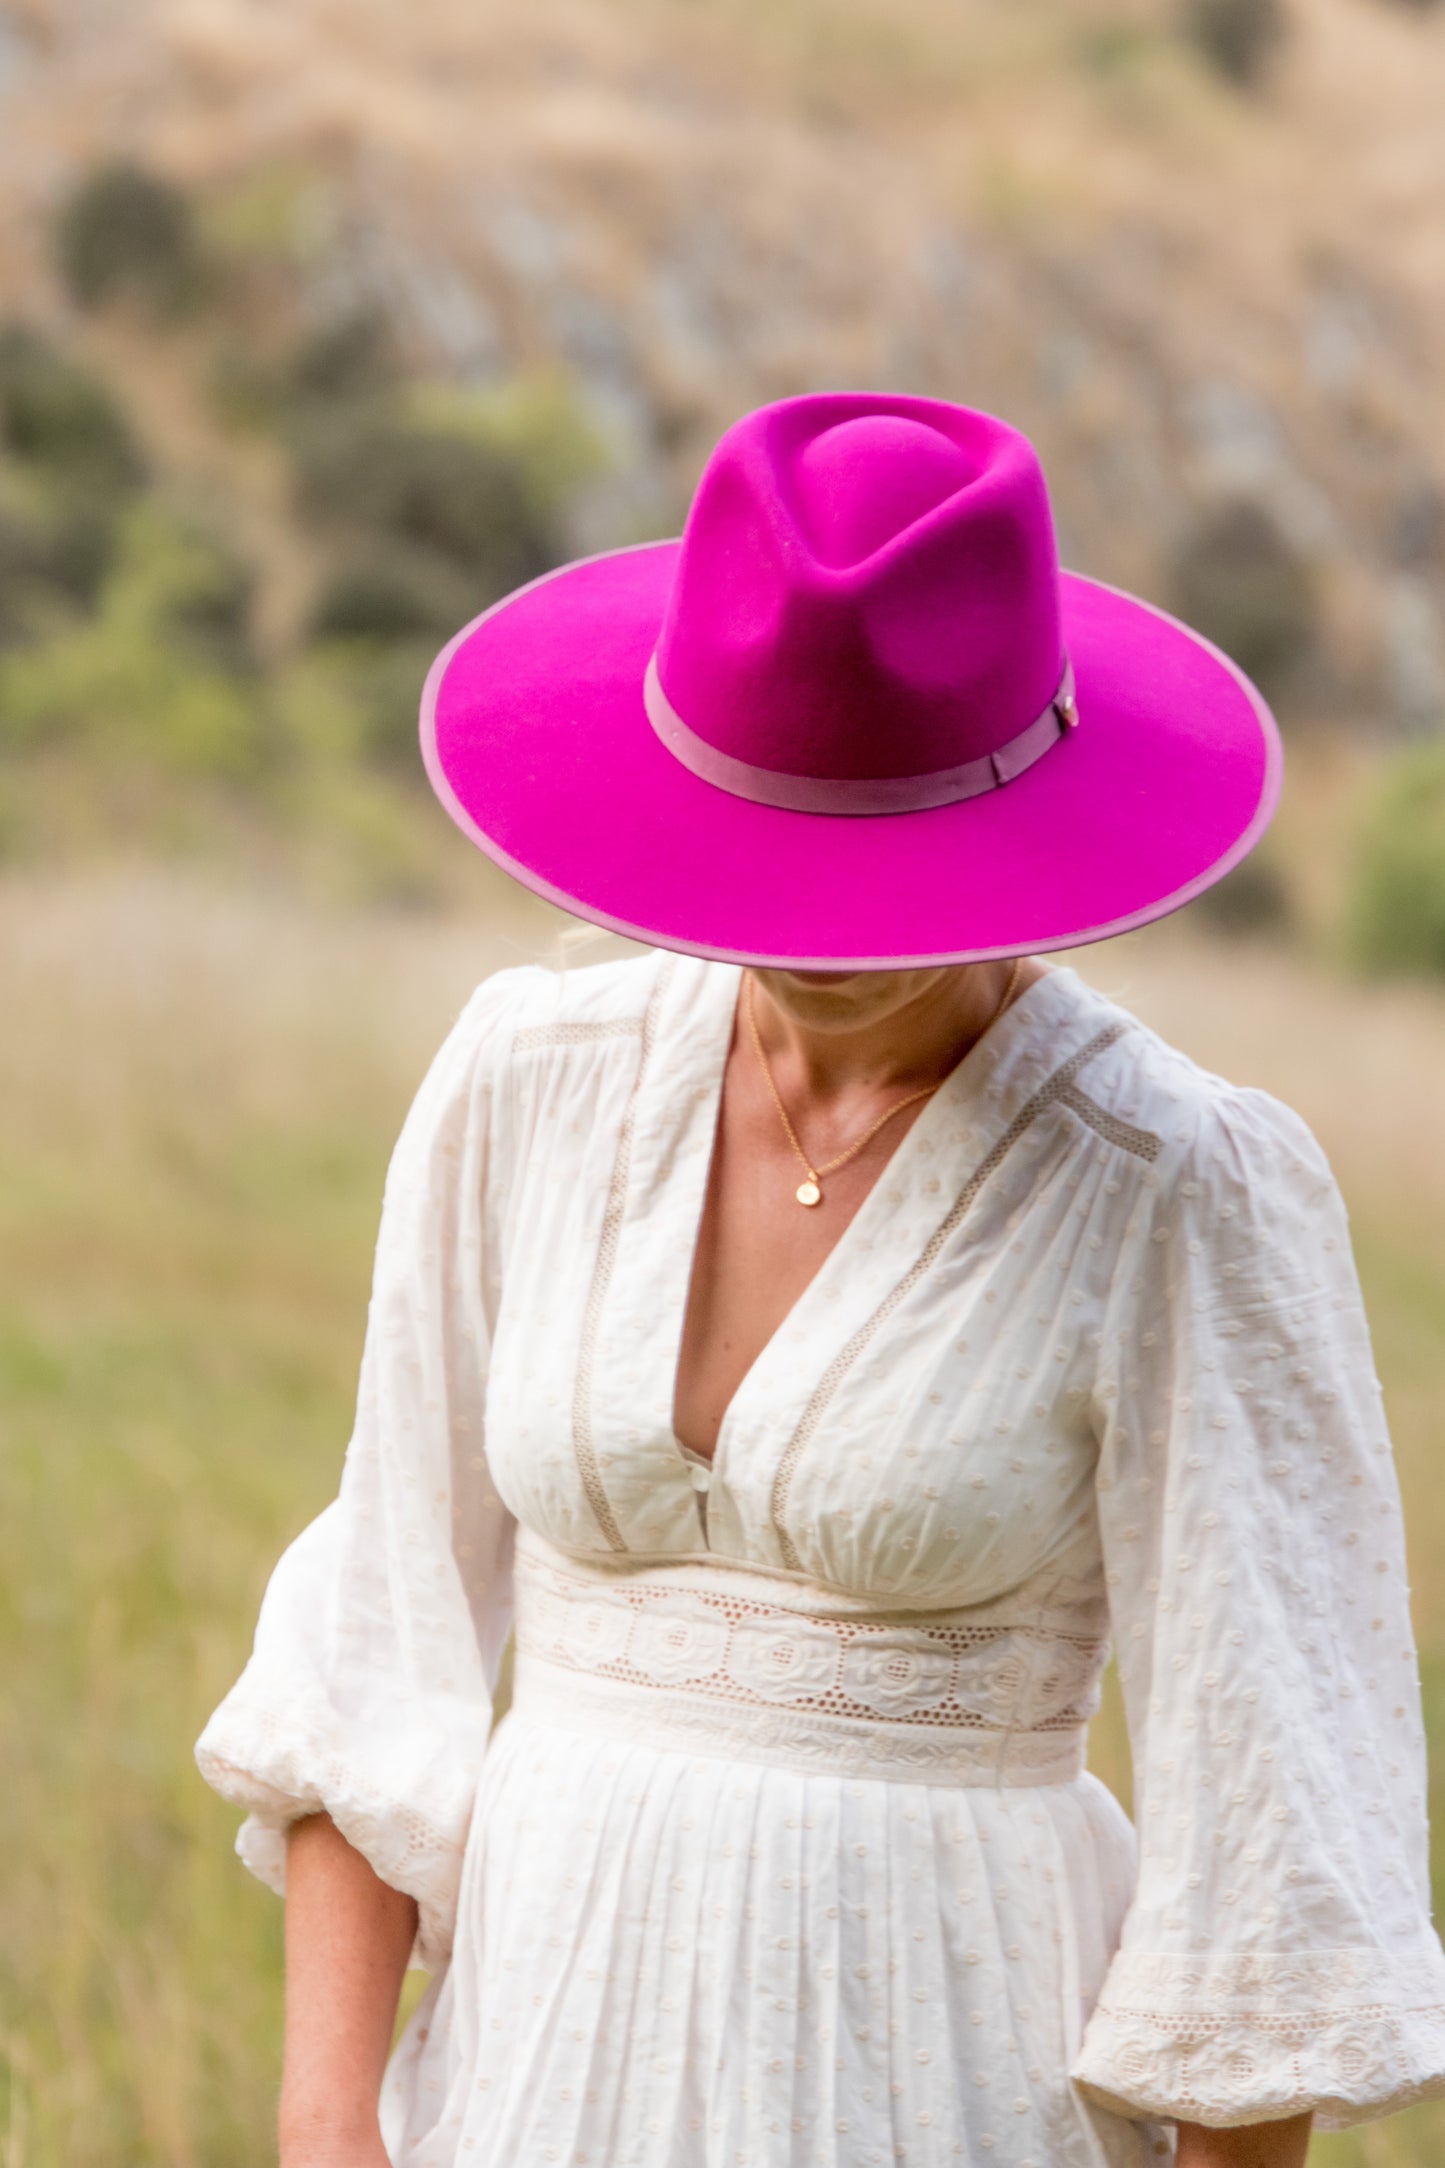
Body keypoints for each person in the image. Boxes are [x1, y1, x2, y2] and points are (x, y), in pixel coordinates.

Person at [197, 394, 1445, 2168]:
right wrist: (329, 2127)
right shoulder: (526, 1082)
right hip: (525, 2083)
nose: (816, 941)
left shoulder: (1173, 1181)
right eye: (782, 858)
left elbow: (1264, 1815)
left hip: (935, 2080)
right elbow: (379, 1627)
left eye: (885, 860)